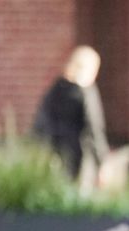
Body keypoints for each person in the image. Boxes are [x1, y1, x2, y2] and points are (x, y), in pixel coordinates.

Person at [32, 47, 109, 187]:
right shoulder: (86, 92)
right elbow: (94, 127)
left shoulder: (56, 89)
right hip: (81, 155)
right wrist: (102, 161)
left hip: (55, 151)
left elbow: (41, 122)